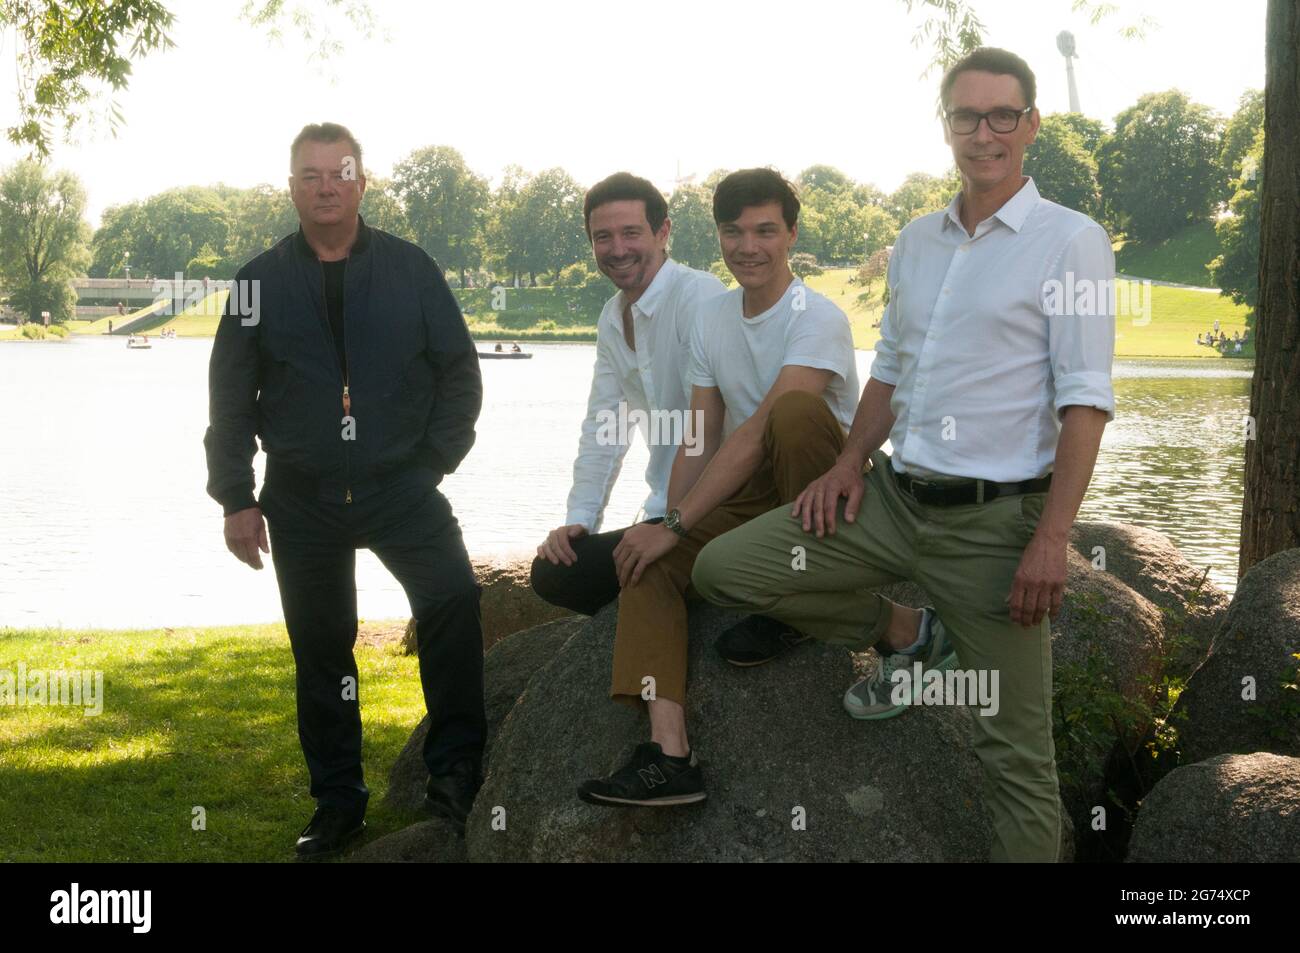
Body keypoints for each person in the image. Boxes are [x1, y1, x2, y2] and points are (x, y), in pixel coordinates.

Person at [692, 48, 1116, 863]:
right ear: (946, 125)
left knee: (1016, 761)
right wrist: (850, 460)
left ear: (1030, 125)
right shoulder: (918, 240)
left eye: (1001, 116)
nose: (983, 133)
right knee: (727, 569)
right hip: (890, 499)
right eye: (966, 115)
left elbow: (1085, 399)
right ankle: (908, 632)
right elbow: (889, 367)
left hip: (993, 528)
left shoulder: (1071, 241)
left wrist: (1052, 537)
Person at [205, 122, 485, 859]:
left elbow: (459, 371)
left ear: (362, 182)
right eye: (310, 175)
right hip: (301, 495)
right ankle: (338, 804)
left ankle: (455, 774)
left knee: (453, 599)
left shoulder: (411, 270)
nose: (325, 186)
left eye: (339, 172)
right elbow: (231, 397)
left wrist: (434, 460)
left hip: (403, 485)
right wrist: (236, 496)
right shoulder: (257, 285)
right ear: (291, 186)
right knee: (323, 648)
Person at [576, 168, 861, 807]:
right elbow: (700, 437)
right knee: (644, 563)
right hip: (748, 490)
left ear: (791, 233)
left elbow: (762, 430)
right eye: (734, 232)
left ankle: (801, 592)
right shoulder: (711, 318)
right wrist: (664, 526)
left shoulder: (819, 317)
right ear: (718, 237)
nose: (748, 247)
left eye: (765, 230)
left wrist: (677, 522)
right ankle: (669, 754)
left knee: (788, 416)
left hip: (819, 486)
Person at [530, 173, 724, 615]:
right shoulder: (611, 318)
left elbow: (711, 429)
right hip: (661, 513)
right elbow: (604, 429)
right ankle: (682, 588)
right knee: (554, 571)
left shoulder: (699, 298)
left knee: (640, 570)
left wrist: (672, 526)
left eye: (630, 233)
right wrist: (579, 522)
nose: (617, 249)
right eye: (603, 237)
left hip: (717, 508)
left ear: (663, 232)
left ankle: (693, 584)